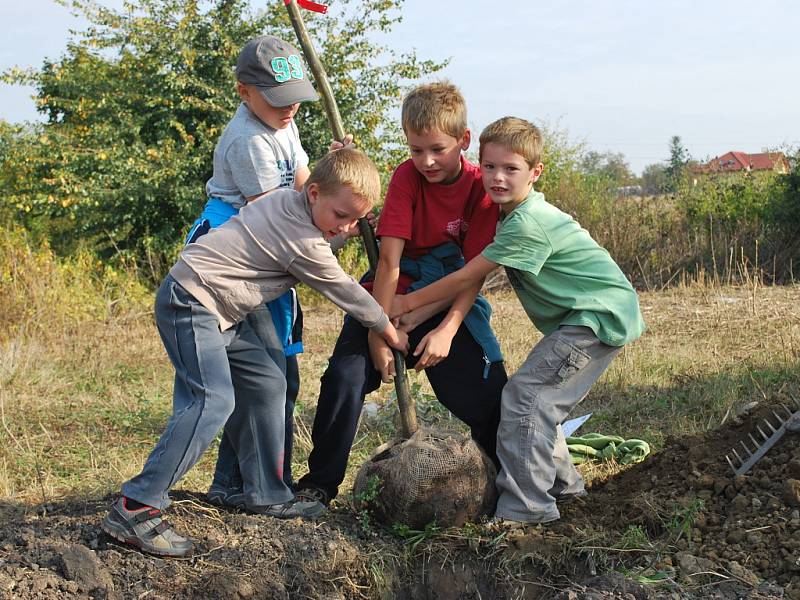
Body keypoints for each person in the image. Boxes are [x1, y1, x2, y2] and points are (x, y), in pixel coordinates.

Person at [101, 148, 409, 557]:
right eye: (342, 217)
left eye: (355, 220)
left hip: (226, 310)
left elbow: (316, 230)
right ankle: (136, 507)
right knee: (212, 400)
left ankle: (262, 492)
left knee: (267, 383)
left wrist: (340, 224)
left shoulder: (291, 198)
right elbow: (346, 290)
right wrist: (388, 328)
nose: (348, 227)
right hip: (191, 301)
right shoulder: (302, 240)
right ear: (314, 193)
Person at [391, 116, 646, 525]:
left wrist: (404, 304)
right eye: (489, 167)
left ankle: (526, 510)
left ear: (534, 172)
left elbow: (467, 275)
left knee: (526, 399)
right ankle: (563, 487)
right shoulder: (510, 214)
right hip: (590, 317)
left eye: (511, 169)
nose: (497, 177)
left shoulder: (527, 223)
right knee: (537, 401)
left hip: (597, 316)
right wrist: (416, 313)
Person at [294, 82, 508, 509]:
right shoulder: (407, 177)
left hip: (447, 300)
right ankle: (319, 485)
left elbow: (470, 276)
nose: (425, 160)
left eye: (437, 149)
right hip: (389, 295)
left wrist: (445, 330)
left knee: (490, 393)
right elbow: (389, 262)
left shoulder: (481, 190)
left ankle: (507, 485)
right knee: (344, 378)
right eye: (415, 149)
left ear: (464, 141)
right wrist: (379, 330)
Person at [183, 34, 318, 508]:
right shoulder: (247, 140)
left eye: (295, 100)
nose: (290, 110)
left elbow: (304, 185)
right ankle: (263, 489)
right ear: (244, 91)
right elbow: (272, 215)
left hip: (270, 258)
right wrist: (323, 237)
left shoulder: (283, 124)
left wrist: (333, 182)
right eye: (279, 100)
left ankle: (232, 483)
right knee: (264, 379)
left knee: (283, 375)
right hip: (238, 261)